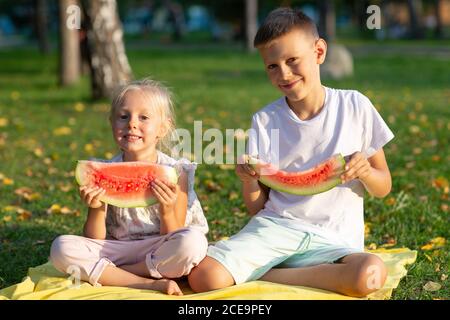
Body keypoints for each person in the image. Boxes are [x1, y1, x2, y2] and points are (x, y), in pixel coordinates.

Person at [188, 7, 394, 298]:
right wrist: (248, 180)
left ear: (319, 51)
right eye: (272, 66)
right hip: (275, 230)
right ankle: (312, 277)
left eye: (292, 60)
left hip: (334, 240)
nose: (284, 73)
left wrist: (367, 172)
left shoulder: (355, 106)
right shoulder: (265, 120)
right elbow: (257, 209)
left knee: (370, 275)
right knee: (204, 278)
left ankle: (269, 275)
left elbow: (383, 186)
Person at [50, 79, 209, 296]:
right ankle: (147, 282)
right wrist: (95, 208)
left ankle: (117, 275)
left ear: (162, 128)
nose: (132, 124)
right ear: (112, 123)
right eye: (123, 116)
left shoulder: (175, 171)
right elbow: (95, 239)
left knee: (193, 243)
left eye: (143, 117)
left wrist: (166, 209)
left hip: (159, 246)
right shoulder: (103, 170)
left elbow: (173, 233)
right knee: (61, 248)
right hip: (116, 249)